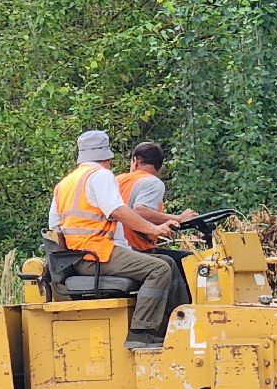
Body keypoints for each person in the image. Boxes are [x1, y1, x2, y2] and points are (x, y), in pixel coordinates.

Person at [48, 130, 178, 350]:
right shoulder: (100, 176)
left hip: (75, 257)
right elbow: (117, 211)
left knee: (168, 263)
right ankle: (141, 332)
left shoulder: (65, 184)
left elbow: (54, 226)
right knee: (159, 269)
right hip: (95, 255)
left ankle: (171, 326)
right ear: (107, 157)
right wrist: (154, 228)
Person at [114, 140, 199, 252]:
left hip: (115, 247)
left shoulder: (116, 180)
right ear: (159, 168)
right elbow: (140, 211)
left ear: (136, 161)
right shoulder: (153, 182)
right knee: (187, 260)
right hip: (138, 249)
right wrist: (179, 219)